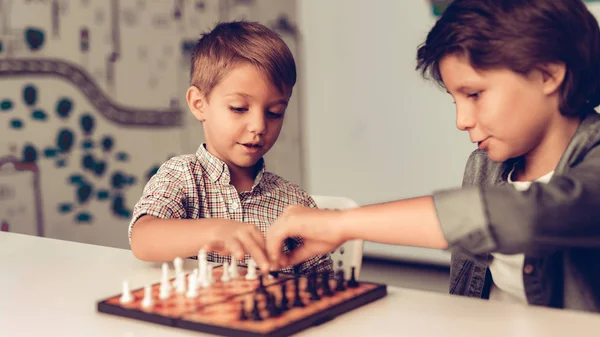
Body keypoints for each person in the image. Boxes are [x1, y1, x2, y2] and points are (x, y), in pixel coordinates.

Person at [256, 0, 600, 312]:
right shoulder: (484, 165)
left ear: (548, 74)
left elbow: (524, 216)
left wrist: (342, 224)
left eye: (475, 94)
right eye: (456, 100)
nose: (462, 121)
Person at [127, 21, 333, 275]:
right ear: (199, 104)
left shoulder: (294, 201)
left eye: (274, 113)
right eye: (238, 108)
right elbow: (143, 239)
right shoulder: (181, 176)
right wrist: (214, 231)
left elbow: (326, 282)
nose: (259, 126)